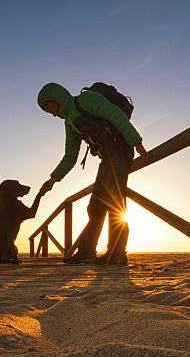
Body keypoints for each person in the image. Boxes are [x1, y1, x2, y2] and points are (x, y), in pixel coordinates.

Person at [37, 82, 146, 265]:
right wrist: (53, 179)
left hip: (120, 149)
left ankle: (117, 253)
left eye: (47, 107)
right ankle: (87, 251)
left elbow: (116, 115)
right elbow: (71, 155)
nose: (50, 113)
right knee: (95, 206)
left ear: (54, 97)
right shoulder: (69, 122)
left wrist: (136, 142)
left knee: (115, 202)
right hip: (106, 158)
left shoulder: (86, 99)